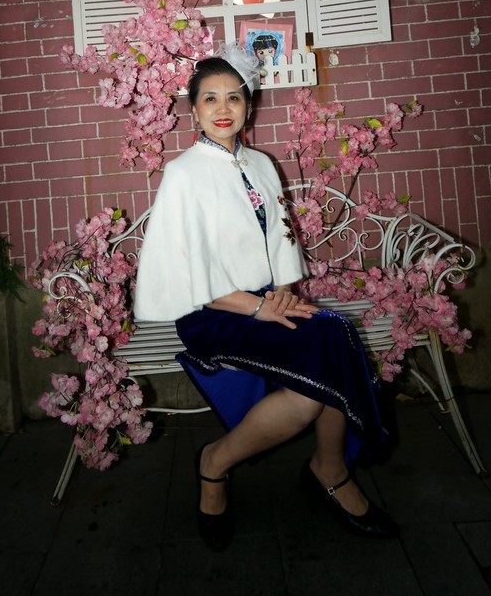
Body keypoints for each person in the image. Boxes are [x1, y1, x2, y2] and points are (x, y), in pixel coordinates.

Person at [134, 42, 397, 550]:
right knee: (321, 364)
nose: (224, 108)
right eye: (211, 99)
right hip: (212, 313)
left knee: (335, 334)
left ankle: (328, 467)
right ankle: (215, 463)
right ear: (194, 111)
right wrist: (258, 307)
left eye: (234, 97)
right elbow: (190, 271)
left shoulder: (259, 163)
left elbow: (281, 240)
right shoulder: (183, 174)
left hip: (263, 300)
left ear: (248, 105)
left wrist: (282, 294)